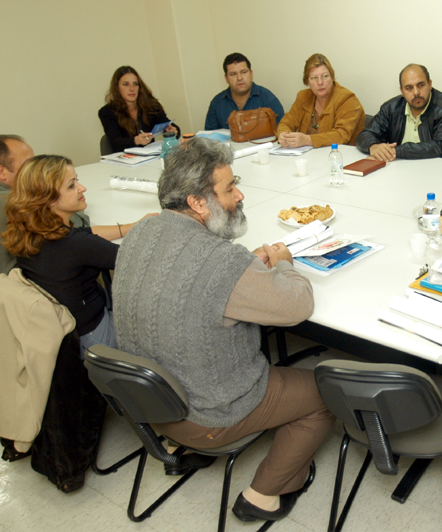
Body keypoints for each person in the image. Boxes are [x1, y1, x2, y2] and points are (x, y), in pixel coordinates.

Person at [111, 138, 334, 523]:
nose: (239, 194)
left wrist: (246, 267)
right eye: (229, 188)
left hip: (149, 405)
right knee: (324, 393)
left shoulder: (140, 234)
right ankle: (264, 495)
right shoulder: (221, 260)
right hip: (207, 414)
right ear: (198, 203)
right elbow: (298, 306)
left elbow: (185, 282)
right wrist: (283, 264)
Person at [1, 155, 153, 357]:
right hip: (95, 337)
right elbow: (140, 263)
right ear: (48, 198)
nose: (82, 188)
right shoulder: (75, 245)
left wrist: (128, 228)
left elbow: (86, 233)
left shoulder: (28, 231)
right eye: (72, 186)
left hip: (67, 332)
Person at [0, 135, 86, 322]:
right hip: (3, 307)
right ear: (0, 172)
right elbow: (76, 223)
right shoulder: (10, 203)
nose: (35, 171)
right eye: (28, 165)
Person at [356, 64, 442, 161]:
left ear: (430, 84)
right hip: (403, 171)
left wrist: (394, 151)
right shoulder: (391, 108)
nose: (416, 92)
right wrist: (373, 146)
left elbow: (439, 147)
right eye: (409, 88)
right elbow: (365, 135)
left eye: (421, 85)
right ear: (402, 91)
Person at [276, 53, 365, 148]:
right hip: (309, 156)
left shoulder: (347, 99)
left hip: (340, 156)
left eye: (325, 76)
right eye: (314, 78)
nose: (320, 82)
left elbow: (341, 135)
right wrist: (283, 135)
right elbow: (286, 123)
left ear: (332, 77)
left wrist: (307, 140)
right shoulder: (303, 97)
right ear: (307, 81)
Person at [98, 66, 180, 153]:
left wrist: (173, 131)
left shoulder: (151, 106)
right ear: (117, 88)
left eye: (135, 84)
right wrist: (136, 140)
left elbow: (168, 124)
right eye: (126, 84)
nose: (132, 89)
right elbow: (115, 142)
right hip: (124, 160)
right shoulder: (107, 112)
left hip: (149, 157)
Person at [204, 52, 284, 131]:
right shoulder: (217, 103)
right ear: (226, 78)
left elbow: (282, 131)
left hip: (261, 144)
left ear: (251, 74)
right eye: (233, 74)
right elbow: (209, 138)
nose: (239, 78)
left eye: (244, 72)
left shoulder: (268, 99)